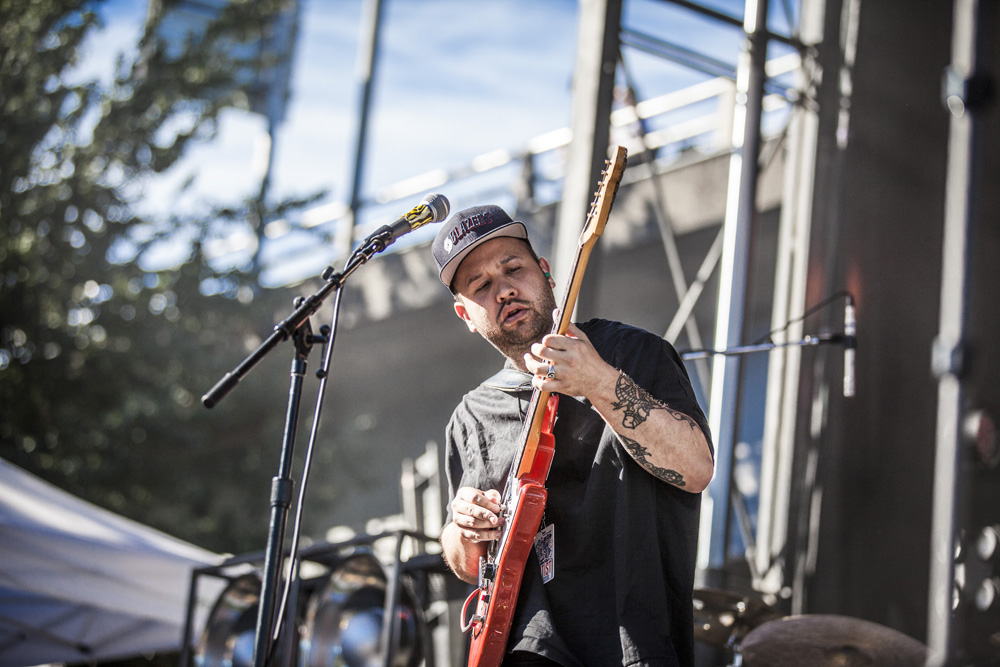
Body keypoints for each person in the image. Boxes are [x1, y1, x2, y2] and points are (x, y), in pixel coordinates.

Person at [431, 204, 715, 667]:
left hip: (632, 647)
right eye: (481, 286)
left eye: (513, 269)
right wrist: (461, 532)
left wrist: (598, 382)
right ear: (465, 314)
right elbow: (469, 565)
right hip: (526, 652)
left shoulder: (632, 352)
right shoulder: (471, 417)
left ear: (546, 273)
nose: (504, 290)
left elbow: (696, 468)